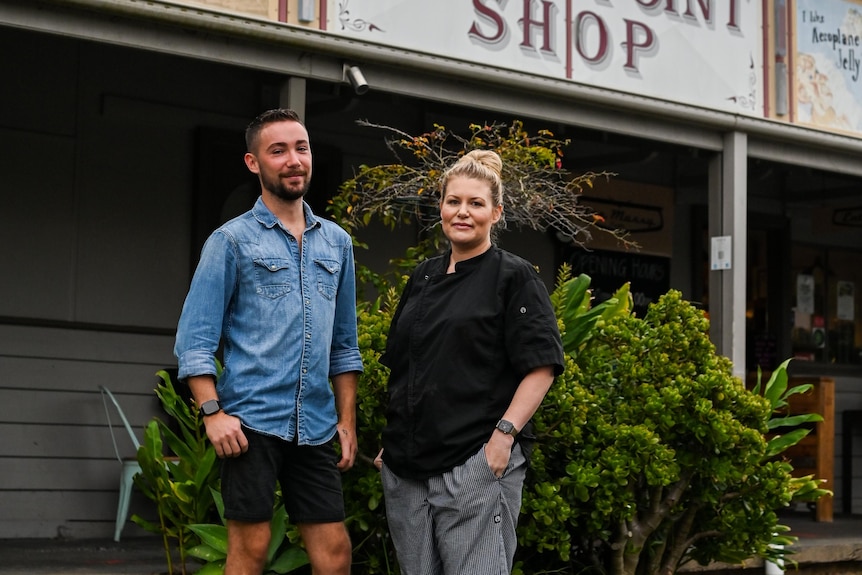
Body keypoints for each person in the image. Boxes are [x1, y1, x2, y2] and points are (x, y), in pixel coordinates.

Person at [174, 108, 363, 575]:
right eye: (277, 151)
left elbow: (344, 345)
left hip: (316, 424)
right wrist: (213, 414)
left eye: (301, 148)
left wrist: (346, 421)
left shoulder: (336, 243)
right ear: (253, 162)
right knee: (251, 551)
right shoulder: (231, 241)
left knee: (336, 553)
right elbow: (195, 340)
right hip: (249, 424)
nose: (293, 159)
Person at [375, 149, 564, 575]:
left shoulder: (513, 277)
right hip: (407, 470)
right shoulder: (423, 276)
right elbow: (407, 366)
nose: (463, 212)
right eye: (453, 201)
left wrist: (502, 439)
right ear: (440, 207)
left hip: (473, 461)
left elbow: (542, 366)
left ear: (496, 213)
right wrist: (397, 436)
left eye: (475, 203)